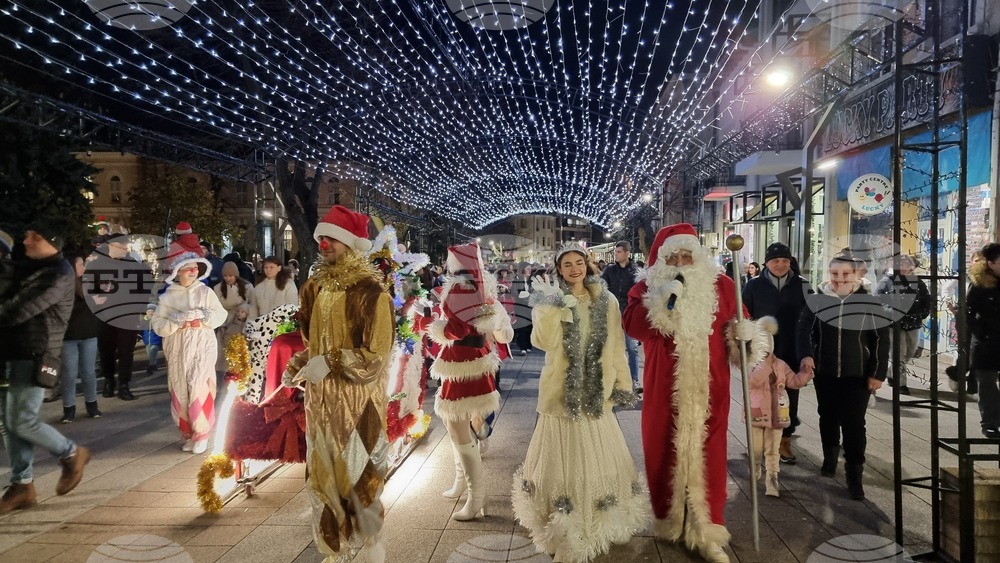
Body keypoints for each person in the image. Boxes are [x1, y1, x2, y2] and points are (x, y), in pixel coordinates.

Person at [623, 223, 764, 563]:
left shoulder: (724, 286)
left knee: (710, 458)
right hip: (663, 389)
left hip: (709, 388)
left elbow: (741, 329)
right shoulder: (646, 286)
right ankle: (670, 522)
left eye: (688, 255)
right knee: (661, 451)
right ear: (662, 260)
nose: (683, 261)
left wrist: (746, 336)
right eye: (675, 256)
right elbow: (633, 326)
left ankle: (707, 531)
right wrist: (662, 301)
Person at [512, 243, 649, 561]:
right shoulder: (552, 298)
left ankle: (599, 519)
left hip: (595, 391)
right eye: (567, 264)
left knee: (596, 456)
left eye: (579, 262)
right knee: (562, 459)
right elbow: (542, 342)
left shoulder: (608, 300)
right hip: (560, 392)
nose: (574, 268)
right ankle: (565, 525)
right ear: (559, 269)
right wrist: (548, 306)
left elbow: (616, 344)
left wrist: (622, 384)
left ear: (588, 264)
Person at [282, 205, 394, 562]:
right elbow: (310, 343)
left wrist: (330, 361)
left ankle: (375, 551)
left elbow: (376, 356)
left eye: (331, 238)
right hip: (321, 405)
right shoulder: (312, 287)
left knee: (363, 482)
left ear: (350, 243)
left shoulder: (371, 292)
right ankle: (334, 553)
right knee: (323, 482)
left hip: (360, 406)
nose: (324, 243)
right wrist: (298, 364)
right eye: (320, 238)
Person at [0, 221, 91, 514]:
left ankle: (72, 453)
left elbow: (18, 309)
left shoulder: (59, 274)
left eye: (34, 236)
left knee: (23, 421)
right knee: (9, 423)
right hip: (12, 353)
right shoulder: (30, 267)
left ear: (51, 241)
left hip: (34, 354)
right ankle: (22, 484)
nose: (25, 240)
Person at [423, 242, 513, 522]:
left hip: (467, 362)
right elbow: (499, 335)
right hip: (463, 361)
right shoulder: (473, 292)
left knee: (456, 425)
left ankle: (477, 495)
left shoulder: (472, 293)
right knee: (454, 425)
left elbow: (498, 334)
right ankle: (463, 481)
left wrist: (433, 324)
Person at [797, 252, 889, 499]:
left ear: (856, 274)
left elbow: (880, 339)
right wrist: (806, 355)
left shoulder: (869, 303)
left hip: (856, 373)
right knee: (827, 416)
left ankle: (854, 473)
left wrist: (878, 373)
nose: (839, 279)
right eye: (835, 273)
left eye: (845, 274)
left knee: (854, 423)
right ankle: (829, 457)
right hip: (825, 372)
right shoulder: (817, 300)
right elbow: (803, 330)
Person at [150, 252, 227, 454]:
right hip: (177, 347)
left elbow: (220, 315)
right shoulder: (168, 297)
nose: (193, 272)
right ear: (178, 272)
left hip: (201, 344)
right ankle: (189, 432)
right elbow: (158, 324)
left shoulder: (206, 292)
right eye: (189, 269)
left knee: (199, 385)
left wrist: (204, 317)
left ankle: (202, 433)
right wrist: (175, 322)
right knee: (181, 389)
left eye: (196, 268)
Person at [742, 242, 812, 464]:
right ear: (766, 263)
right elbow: (744, 317)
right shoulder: (753, 287)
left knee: (789, 395)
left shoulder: (803, 286)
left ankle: (785, 441)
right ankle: (761, 438)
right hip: (762, 351)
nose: (780, 264)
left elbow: (813, 320)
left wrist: (809, 351)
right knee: (759, 394)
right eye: (775, 260)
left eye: (785, 260)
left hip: (793, 349)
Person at [746, 319, 813, 498]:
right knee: (756, 448)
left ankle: (772, 478)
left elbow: (794, 381)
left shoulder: (781, 364)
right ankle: (754, 471)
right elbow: (753, 381)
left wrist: (805, 374)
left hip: (777, 415)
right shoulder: (752, 364)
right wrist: (765, 364)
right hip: (757, 414)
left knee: (772, 449)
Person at [875, 254, 931, 395]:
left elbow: (926, 298)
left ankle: (891, 372)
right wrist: (890, 312)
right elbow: (877, 300)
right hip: (894, 324)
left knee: (910, 352)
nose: (904, 268)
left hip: (913, 322)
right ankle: (900, 383)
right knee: (898, 354)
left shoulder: (917, 282)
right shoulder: (887, 281)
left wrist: (923, 312)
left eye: (907, 265)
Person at [59, 254, 103, 423]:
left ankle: (92, 405)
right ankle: (69, 408)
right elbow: (66, 307)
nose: (83, 267)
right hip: (69, 335)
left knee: (88, 372)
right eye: (80, 264)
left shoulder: (89, 281)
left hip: (89, 333)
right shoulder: (64, 284)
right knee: (69, 373)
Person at [966, 243, 1000, 439]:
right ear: (990, 263)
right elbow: (968, 312)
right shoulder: (980, 284)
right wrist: (981, 334)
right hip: (986, 344)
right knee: (987, 385)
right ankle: (990, 423)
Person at [601, 241, 641, 392]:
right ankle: (613, 379)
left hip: (629, 314)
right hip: (612, 312)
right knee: (611, 346)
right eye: (616, 252)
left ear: (627, 253)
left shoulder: (635, 271)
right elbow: (602, 286)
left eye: (618, 252)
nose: (616, 254)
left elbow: (640, 292)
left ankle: (634, 380)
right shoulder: (610, 270)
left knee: (632, 348)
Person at [213, 262, 254, 373]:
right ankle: (227, 373)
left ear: (236, 275)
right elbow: (215, 306)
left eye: (231, 275)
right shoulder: (218, 288)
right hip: (225, 322)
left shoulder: (247, 286)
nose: (228, 278)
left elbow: (253, 304)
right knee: (225, 349)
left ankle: (243, 372)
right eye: (225, 276)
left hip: (241, 321)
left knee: (242, 349)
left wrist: (245, 313)